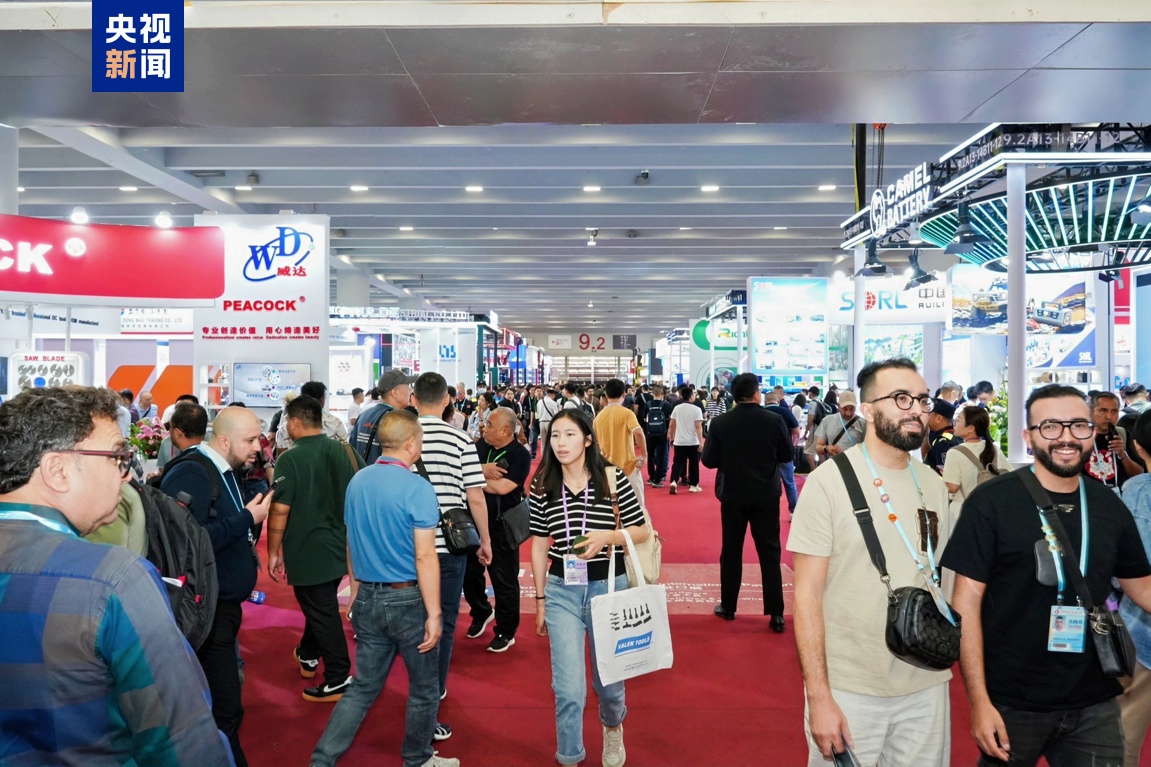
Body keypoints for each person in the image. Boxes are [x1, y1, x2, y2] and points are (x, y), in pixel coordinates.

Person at [0, 387, 233, 766]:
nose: (125, 477)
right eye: (117, 458)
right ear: (57, 471)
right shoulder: (113, 580)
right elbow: (183, 742)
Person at [943, 384, 1151, 766]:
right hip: (1012, 700)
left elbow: (1142, 587)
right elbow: (966, 604)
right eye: (1051, 426)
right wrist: (979, 701)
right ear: (1029, 436)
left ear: (1092, 432)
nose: (1066, 438)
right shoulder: (991, 503)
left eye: (1078, 426)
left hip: (1095, 699)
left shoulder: (1107, 504)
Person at [788, 358, 952, 766]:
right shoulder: (827, 483)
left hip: (926, 680)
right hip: (850, 687)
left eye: (922, 399)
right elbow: (806, 596)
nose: (916, 410)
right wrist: (819, 696)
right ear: (868, 410)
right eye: (900, 398)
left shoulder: (932, 484)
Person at [308, 410, 459, 767]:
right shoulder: (418, 488)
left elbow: (351, 542)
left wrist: (355, 590)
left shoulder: (358, 481)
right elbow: (425, 556)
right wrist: (434, 613)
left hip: (368, 599)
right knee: (424, 689)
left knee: (363, 687)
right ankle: (418, 759)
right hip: (407, 600)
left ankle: (321, 760)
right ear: (411, 444)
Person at [529, 407, 649, 767]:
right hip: (561, 590)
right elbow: (539, 544)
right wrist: (539, 600)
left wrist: (607, 537)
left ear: (587, 440)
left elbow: (642, 530)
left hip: (607, 587)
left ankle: (613, 726)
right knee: (568, 688)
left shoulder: (612, 478)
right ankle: (569, 755)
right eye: (555, 435)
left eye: (569, 434)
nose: (561, 443)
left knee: (608, 683)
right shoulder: (542, 483)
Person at [161, 406, 274, 767]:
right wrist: (247, 518)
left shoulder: (224, 470)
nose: (257, 447)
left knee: (224, 704)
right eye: (250, 440)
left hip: (222, 605)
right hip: (206, 609)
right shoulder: (194, 471)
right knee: (224, 707)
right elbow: (187, 543)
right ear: (224, 440)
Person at [267, 394, 364, 702]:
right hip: (341, 547)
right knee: (320, 606)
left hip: (308, 549)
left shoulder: (290, 458)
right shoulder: (344, 450)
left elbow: (279, 510)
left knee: (322, 611)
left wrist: (273, 551)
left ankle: (338, 677)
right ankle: (308, 654)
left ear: (295, 422)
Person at [411, 373, 492, 741]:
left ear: (414, 399)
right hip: (449, 547)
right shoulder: (460, 439)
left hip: (407, 547)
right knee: (441, 623)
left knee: (411, 623)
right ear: (447, 400)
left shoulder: (401, 438)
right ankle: (433, 691)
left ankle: (418, 691)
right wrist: (484, 540)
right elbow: (475, 496)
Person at [703, 373, 794, 630]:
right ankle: (776, 614)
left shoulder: (720, 422)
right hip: (766, 494)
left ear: (734, 395)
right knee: (770, 552)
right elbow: (787, 455)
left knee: (731, 550)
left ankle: (728, 606)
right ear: (756, 394)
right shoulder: (774, 420)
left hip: (732, 494)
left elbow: (708, 460)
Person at [465, 407, 531, 653]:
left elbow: (503, 487)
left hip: (503, 524)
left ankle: (506, 630)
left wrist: (473, 477)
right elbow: (462, 471)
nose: (484, 428)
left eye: (490, 424)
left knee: (504, 579)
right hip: (473, 520)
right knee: (469, 573)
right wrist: (483, 471)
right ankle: (482, 611)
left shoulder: (520, 455)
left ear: (505, 431)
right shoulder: (480, 446)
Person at [1119, 410, 1151, 767]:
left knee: (1125, 733)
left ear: (1138, 446)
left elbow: (1126, 571)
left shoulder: (1138, 491)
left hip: (1142, 631)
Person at [942, 405, 1011, 513]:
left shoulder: (954, 452)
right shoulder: (994, 449)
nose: (954, 423)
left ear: (971, 428)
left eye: (958, 419)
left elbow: (952, 487)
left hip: (963, 510)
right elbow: (1009, 475)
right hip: (991, 510)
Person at [593, 378, 648, 508]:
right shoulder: (627, 413)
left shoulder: (598, 417)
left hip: (606, 469)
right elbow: (638, 433)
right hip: (628, 466)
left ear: (606, 395)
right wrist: (644, 455)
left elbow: (595, 443)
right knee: (637, 507)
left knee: (611, 507)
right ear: (624, 394)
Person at [1084, 389, 1144, 491]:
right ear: (1091, 411)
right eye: (1103, 410)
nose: (1109, 416)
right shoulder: (1080, 436)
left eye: (1114, 411)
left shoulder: (1122, 434)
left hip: (1117, 496)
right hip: (1088, 495)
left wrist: (1122, 455)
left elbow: (1138, 475)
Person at [351, 370, 416, 462]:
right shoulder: (397, 420)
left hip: (363, 470)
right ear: (395, 393)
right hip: (387, 470)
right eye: (407, 387)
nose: (410, 391)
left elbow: (352, 446)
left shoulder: (364, 415)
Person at [276, 381, 350, 451]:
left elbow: (282, 457)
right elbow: (345, 451)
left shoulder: (286, 428)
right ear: (322, 399)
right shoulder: (335, 423)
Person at [764, 390, 801, 516]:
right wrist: (791, 444)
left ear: (765, 401)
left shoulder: (761, 412)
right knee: (789, 483)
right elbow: (796, 431)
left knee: (766, 482)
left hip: (765, 453)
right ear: (778, 401)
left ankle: (767, 510)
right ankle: (794, 511)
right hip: (784, 452)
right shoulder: (785, 411)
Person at [810, 390, 865, 464]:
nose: (848, 413)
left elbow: (870, 449)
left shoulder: (863, 423)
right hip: (834, 465)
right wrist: (826, 448)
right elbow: (818, 447)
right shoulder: (827, 421)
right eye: (845, 409)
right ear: (838, 405)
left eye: (852, 409)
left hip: (856, 465)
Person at [668, 385, 704, 494]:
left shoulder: (677, 408)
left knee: (677, 463)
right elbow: (698, 426)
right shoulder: (697, 409)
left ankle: (674, 481)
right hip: (692, 441)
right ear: (691, 396)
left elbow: (672, 424)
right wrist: (701, 441)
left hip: (679, 441)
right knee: (693, 464)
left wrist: (672, 436)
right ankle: (693, 485)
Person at [156, 393, 201, 469]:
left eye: (187, 410)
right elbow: (161, 470)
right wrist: (155, 474)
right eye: (178, 410)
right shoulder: (167, 442)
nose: (181, 414)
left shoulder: (209, 441)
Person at [922, 397, 962, 474]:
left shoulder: (943, 442)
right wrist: (926, 435)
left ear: (939, 418)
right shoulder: (955, 434)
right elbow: (929, 458)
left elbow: (943, 475)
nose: (926, 417)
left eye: (929, 414)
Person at [645, 384, 674, 489]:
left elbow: (644, 419)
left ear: (652, 393)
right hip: (663, 434)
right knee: (661, 456)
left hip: (650, 434)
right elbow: (671, 419)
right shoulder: (666, 405)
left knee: (650, 455)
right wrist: (670, 432)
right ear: (662, 394)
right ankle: (658, 479)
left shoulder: (647, 405)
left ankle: (651, 477)